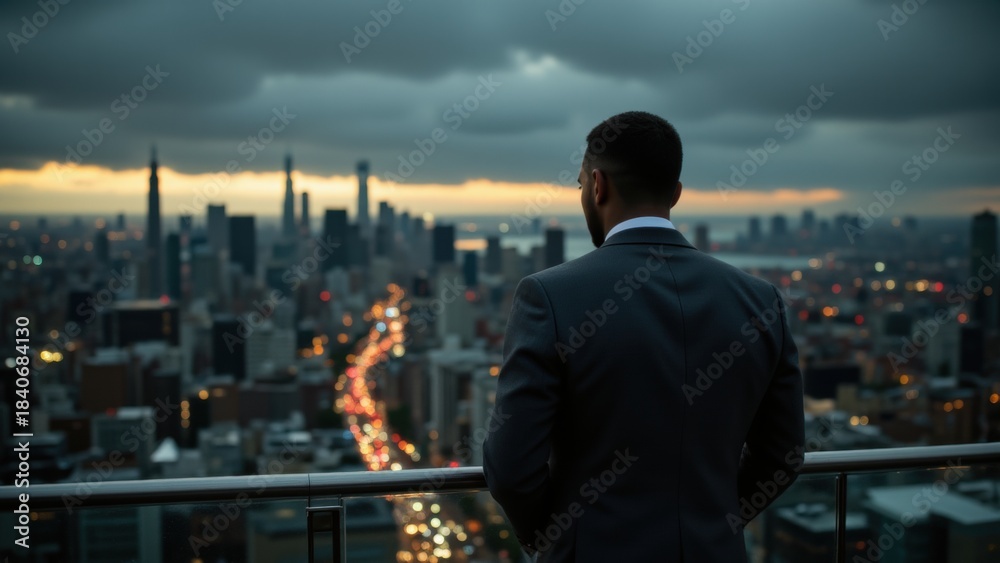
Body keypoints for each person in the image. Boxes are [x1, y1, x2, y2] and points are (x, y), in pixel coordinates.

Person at [483, 111, 805, 562]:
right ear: (675, 192)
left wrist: (556, 539)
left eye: (580, 187)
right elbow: (782, 456)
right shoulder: (761, 301)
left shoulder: (549, 296)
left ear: (598, 186)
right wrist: (716, 524)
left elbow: (511, 470)